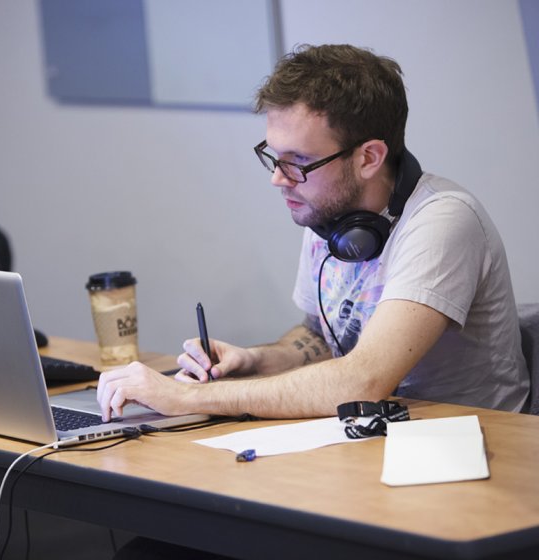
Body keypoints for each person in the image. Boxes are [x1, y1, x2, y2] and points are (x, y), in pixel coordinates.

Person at [97, 43, 530, 427]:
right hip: (374, 438)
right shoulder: (328, 213)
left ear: (368, 157)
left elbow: (362, 379)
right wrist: (254, 360)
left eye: (298, 161)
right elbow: (325, 338)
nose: (279, 180)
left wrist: (188, 396)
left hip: (473, 453)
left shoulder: (442, 221)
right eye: (274, 157)